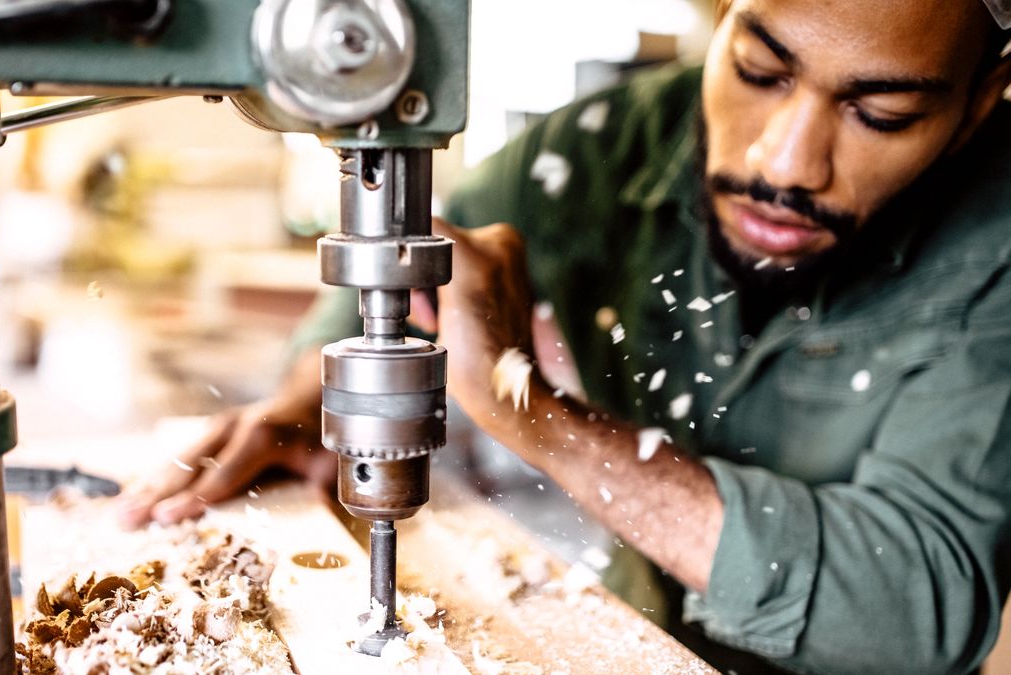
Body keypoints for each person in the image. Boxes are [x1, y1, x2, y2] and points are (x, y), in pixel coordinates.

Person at [120, 1, 1011, 671]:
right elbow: (421, 260)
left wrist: (531, 413)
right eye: (758, 70)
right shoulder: (608, 145)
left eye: (880, 113)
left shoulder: (996, 240)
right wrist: (310, 407)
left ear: (981, 103)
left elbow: (916, 606)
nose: (785, 161)